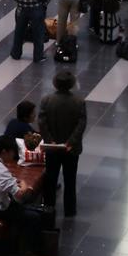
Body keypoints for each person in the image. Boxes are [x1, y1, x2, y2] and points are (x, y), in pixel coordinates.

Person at [0, 136, 53, 256]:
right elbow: (20, 194)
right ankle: (28, 252)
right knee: (33, 217)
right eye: (13, 152)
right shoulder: (0, 170)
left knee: (28, 209)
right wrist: (24, 184)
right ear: (5, 151)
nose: (14, 155)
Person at [36, 69, 85, 219]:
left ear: (55, 83)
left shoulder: (47, 100)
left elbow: (42, 122)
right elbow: (81, 124)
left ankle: (49, 207)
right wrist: (71, 142)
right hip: (71, 149)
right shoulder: (79, 102)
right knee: (70, 179)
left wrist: (50, 140)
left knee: (51, 178)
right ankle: (70, 210)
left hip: (52, 149)